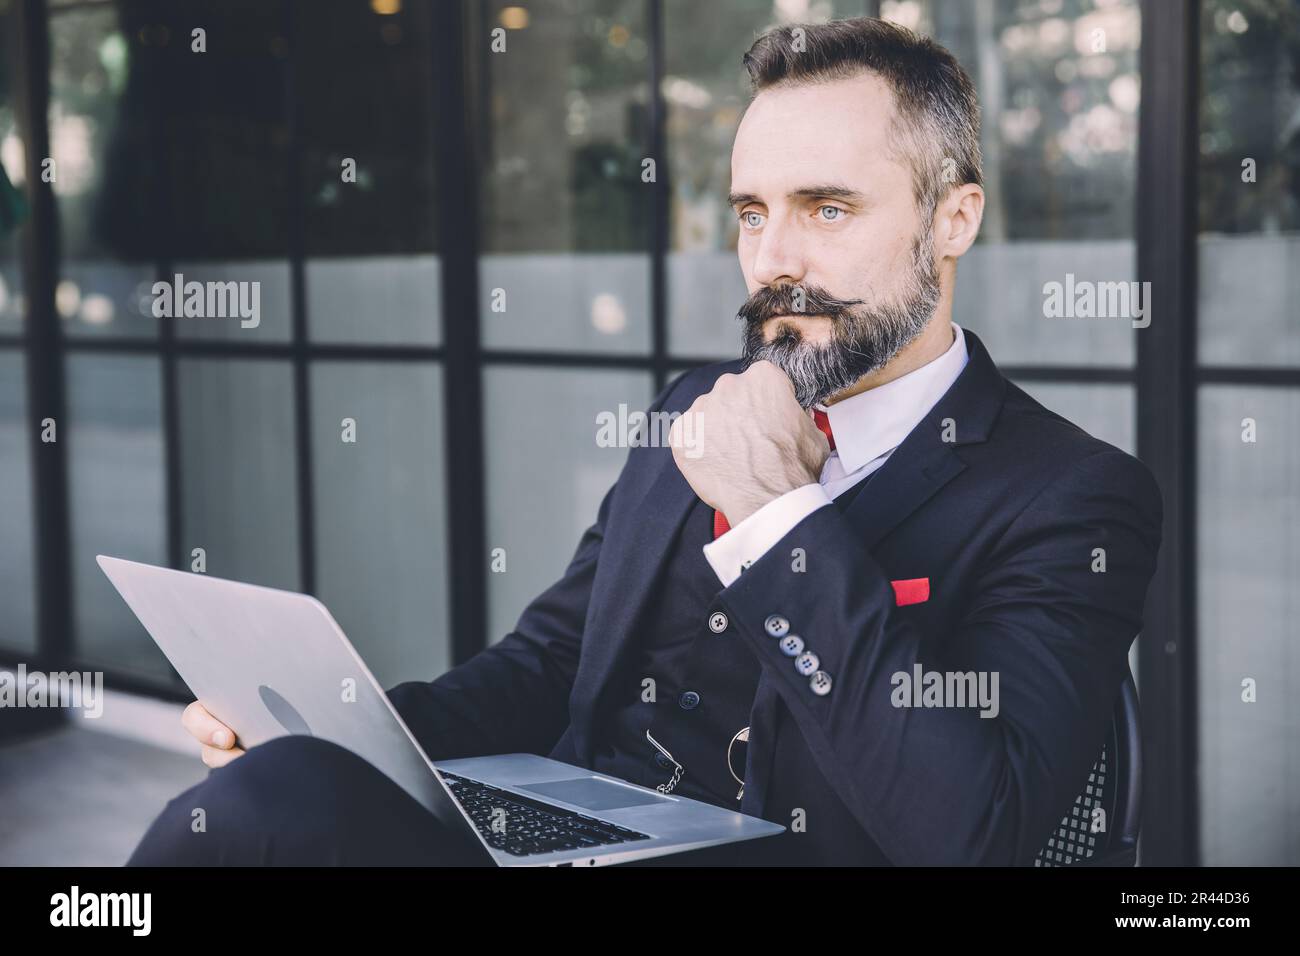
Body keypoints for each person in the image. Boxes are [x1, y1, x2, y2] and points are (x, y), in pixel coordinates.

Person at [129, 16, 1162, 867]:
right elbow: (548, 660)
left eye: (828, 207)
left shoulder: (1072, 495)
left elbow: (972, 832)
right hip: (554, 842)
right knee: (273, 797)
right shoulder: (689, 404)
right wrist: (355, 732)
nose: (774, 259)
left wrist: (776, 518)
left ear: (954, 219)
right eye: (752, 212)